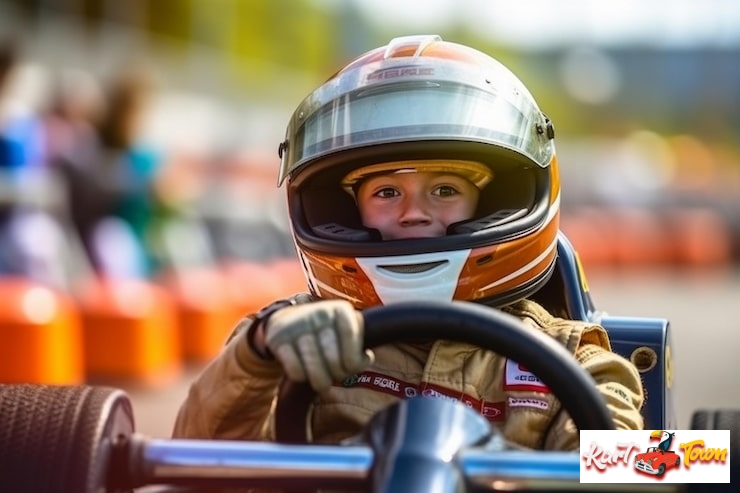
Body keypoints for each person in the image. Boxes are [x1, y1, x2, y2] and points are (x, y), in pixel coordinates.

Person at [172, 34, 644, 450]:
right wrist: (259, 352)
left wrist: (707, 459)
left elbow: (638, 467)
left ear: (492, 205)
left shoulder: (572, 359)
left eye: (444, 190)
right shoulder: (298, 339)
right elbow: (196, 459)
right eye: (386, 192)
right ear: (344, 213)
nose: (414, 212)